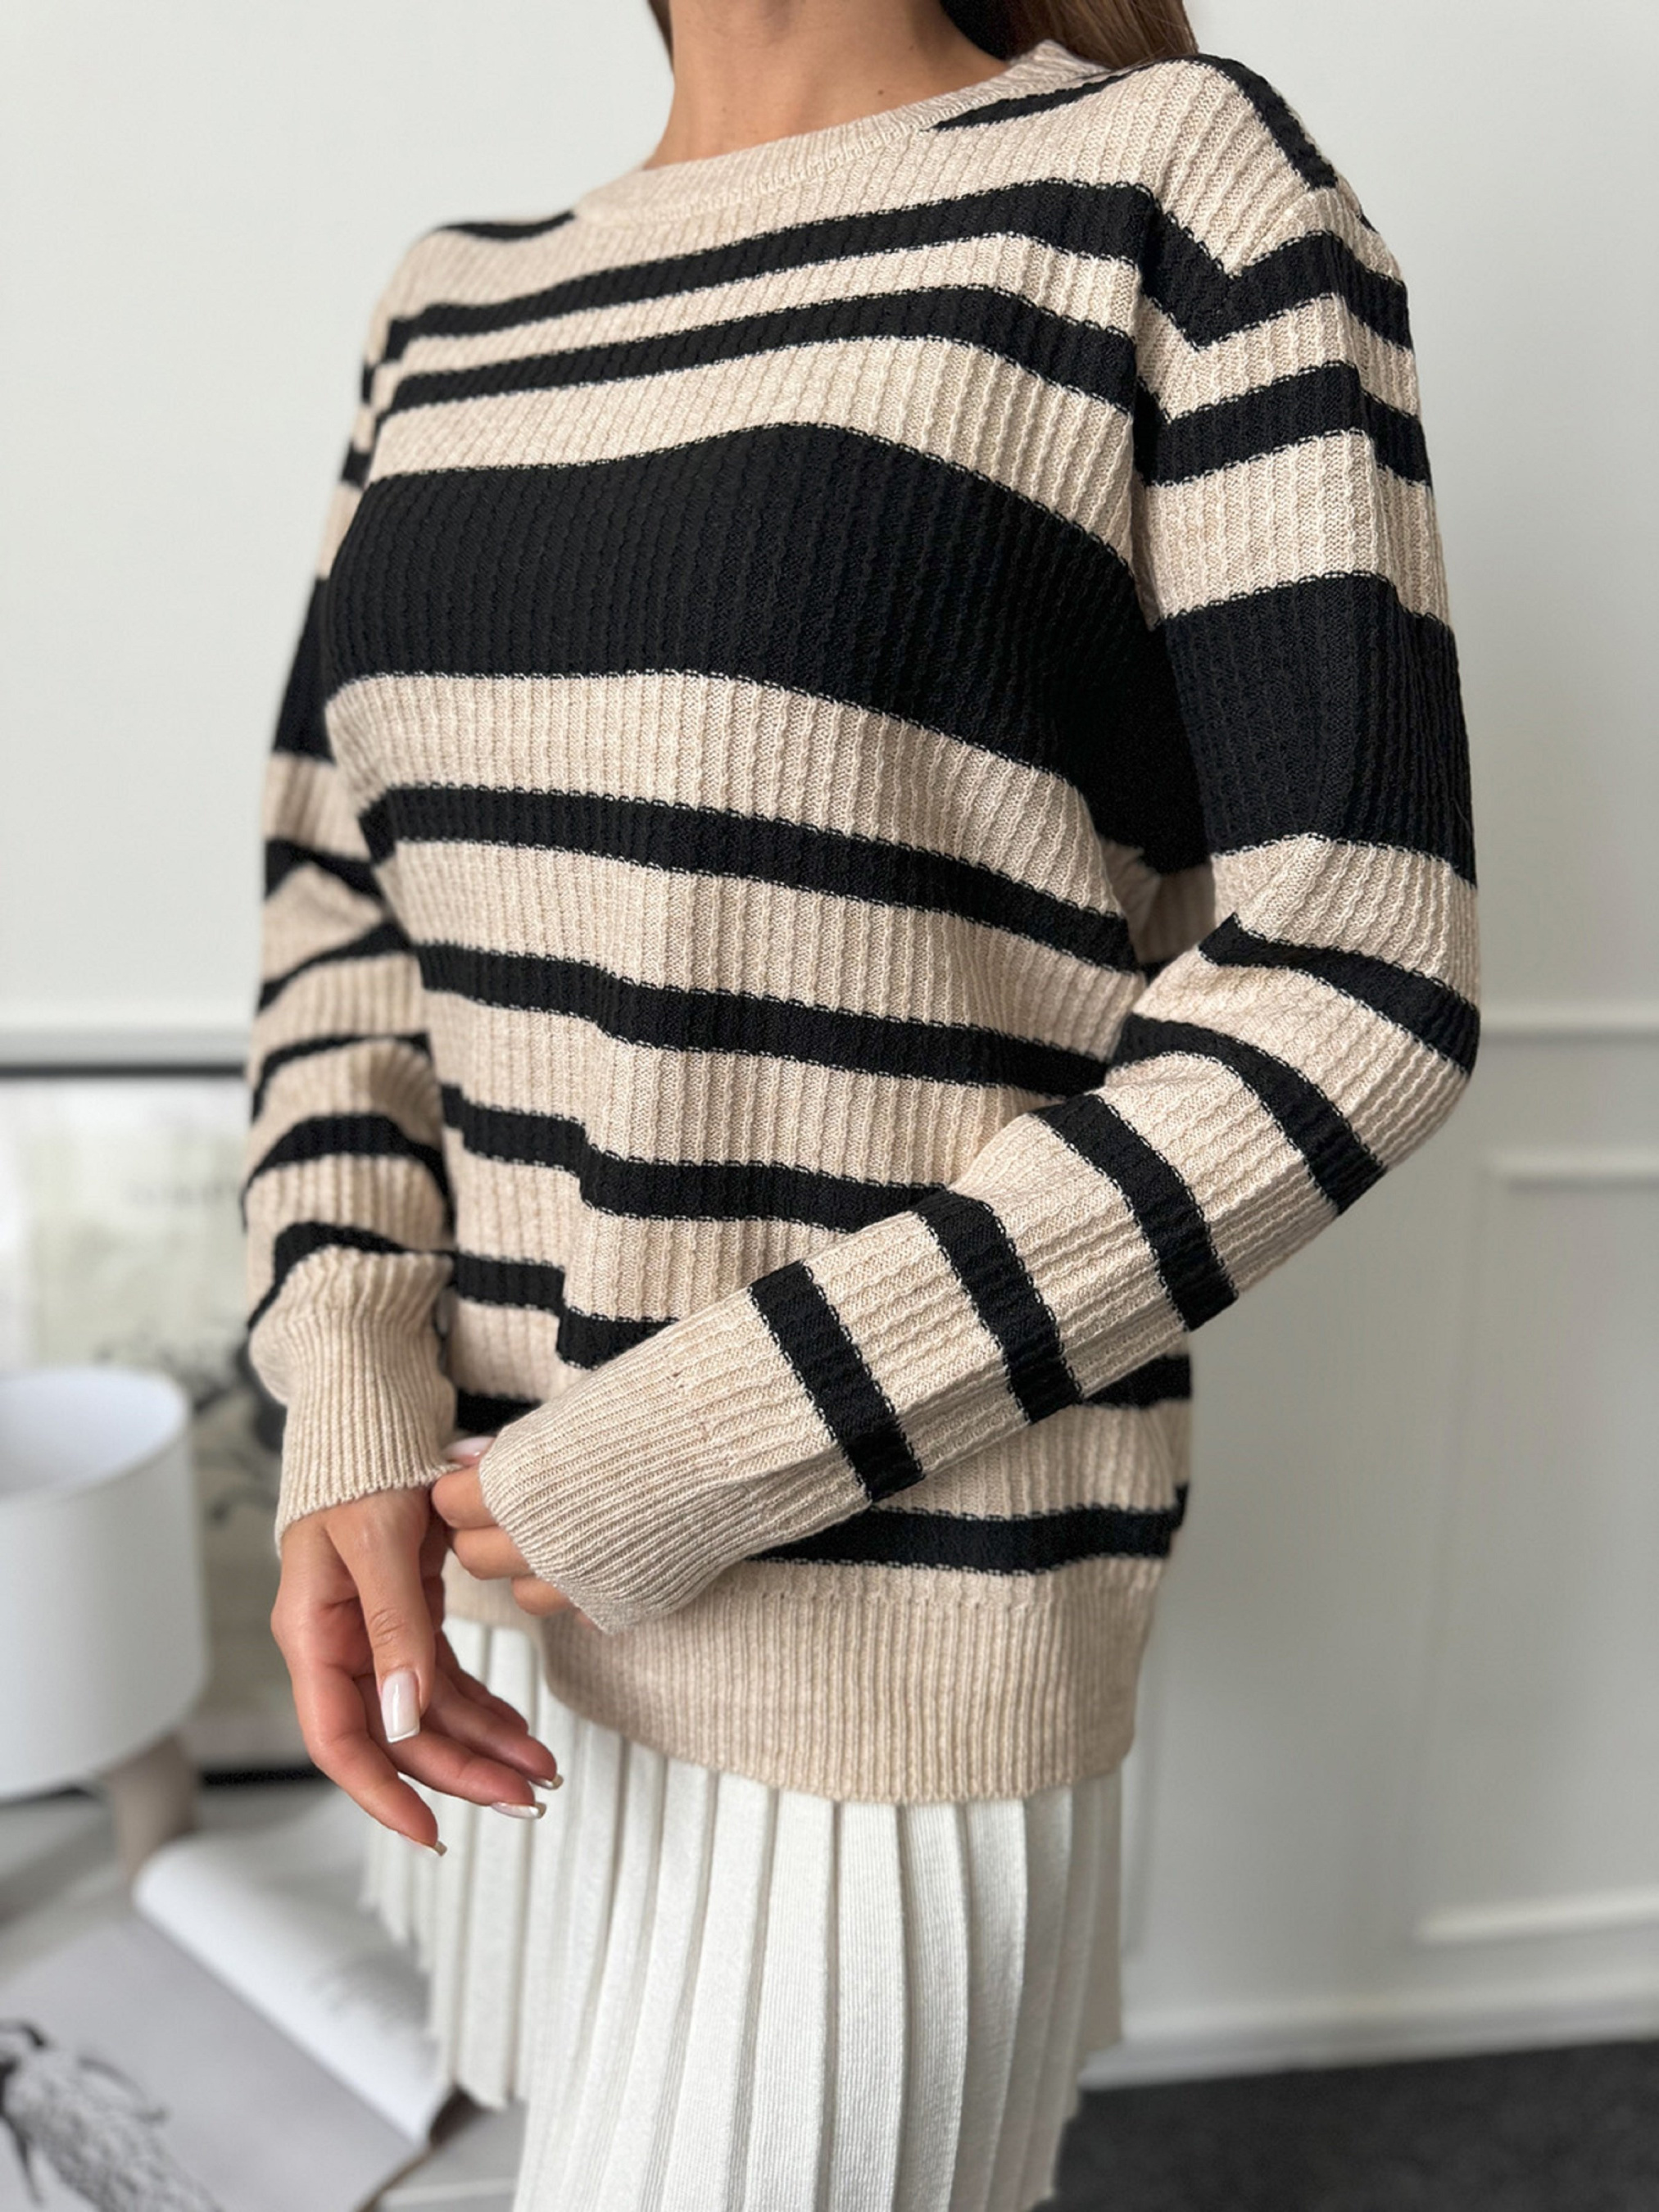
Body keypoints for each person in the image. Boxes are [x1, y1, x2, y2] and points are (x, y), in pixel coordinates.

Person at [244, 0, 1479, 2203]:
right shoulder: (445, 305)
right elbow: (341, 916)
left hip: (882, 1631)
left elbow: (1355, 980)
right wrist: (342, 1399)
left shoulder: (1165, 185)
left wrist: (687, 1450)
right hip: (476, 1598)